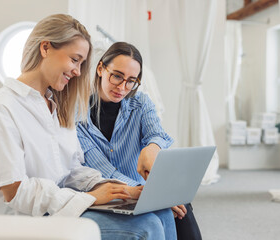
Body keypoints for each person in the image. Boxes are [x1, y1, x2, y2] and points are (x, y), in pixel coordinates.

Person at [0, 14, 176, 240]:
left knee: (162, 213)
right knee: (147, 227)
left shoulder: (56, 107)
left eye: (81, 63)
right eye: (74, 59)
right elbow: (15, 193)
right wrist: (90, 198)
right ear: (46, 48)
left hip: (60, 209)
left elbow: (71, 170)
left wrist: (116, 188)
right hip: (24, 221)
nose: (78, 72)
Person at [77, 41, 202, 240]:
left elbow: (157, 134)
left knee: (180, 206)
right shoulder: (78, 116)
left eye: (131, 81)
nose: (122, 87)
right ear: (101, 68)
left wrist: (152, 148)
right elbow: (105, 171)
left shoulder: (141, 103)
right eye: (117, 76)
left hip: (141, 191)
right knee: (167, 207)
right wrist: (148, 193)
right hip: (107, 195)